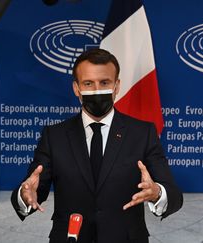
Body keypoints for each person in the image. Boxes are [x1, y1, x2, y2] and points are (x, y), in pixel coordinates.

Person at [11, 48, 183, 243]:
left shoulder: (143, 133)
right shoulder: (54, 136)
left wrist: (157, 193)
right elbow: (32, 188)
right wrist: (25, 195)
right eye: (88, 83)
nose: (96, 90)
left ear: (117, 86)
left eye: (104, 82)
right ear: (76, 88)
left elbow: (174, 196)